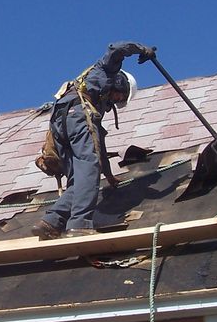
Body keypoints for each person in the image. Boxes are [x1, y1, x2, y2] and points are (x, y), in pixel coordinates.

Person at [32, 41, 156, 239]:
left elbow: (98, 146)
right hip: (76, 116)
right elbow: (116, 49)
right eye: (120, 96)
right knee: (88, 171)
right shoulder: (106, 71)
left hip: (60, 121)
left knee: (80, 179)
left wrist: (108, 174)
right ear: (120, 83)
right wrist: (140, 49)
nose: (116, 100)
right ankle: (79, 224)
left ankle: (51, 222)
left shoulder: (91, 98)